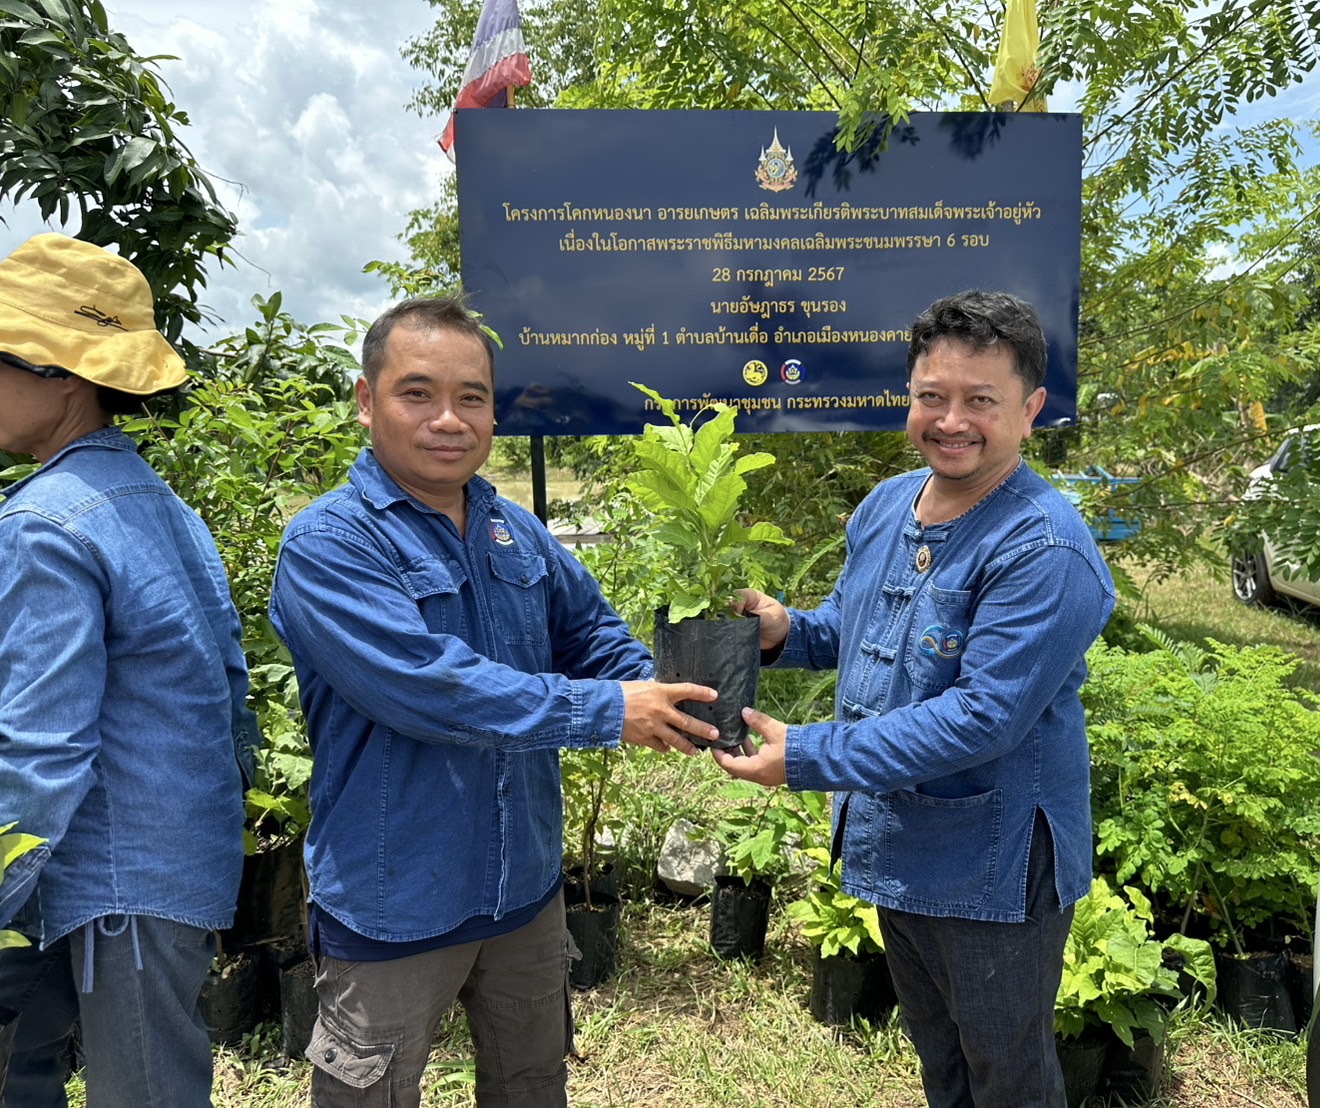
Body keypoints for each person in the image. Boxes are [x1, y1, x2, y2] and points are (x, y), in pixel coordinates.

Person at [267, 294, 717, 1108]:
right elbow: (432, 688)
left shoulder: (517, 531)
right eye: (417, 393)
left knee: (530, 1084)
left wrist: (686, 694)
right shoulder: (331, 546)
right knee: (372, 1094)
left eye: (471, 397)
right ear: (367, 401)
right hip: (394, 900)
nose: (449, 418)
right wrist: (610, 711)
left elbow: (594, 640)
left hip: (524, 891)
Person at [715, 290, 1116, 1108]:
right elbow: (859, 633)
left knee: (1006, 1075)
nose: (951, 419)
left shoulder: (1044, 547)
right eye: (932, 396)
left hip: (990, 865)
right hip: (898, 843)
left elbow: (982, 717)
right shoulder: (890, 503)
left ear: (1031, 409)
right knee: (939, 1057)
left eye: (981, 401)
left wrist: (809, 756)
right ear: (909, 396)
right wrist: (786, 631)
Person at [0, 233, 257, 1107]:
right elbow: (231, 694)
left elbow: (41, 750)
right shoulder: (159, 502)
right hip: (181, 861)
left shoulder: (45, 522)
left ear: (63, 371)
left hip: (113, 881)